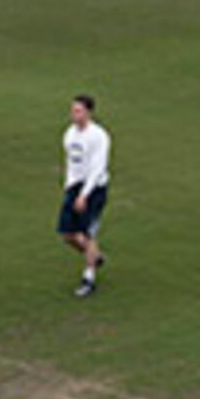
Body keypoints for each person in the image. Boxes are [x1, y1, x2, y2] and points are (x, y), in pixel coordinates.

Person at [58, 93, 111, 298]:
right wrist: (69, 187)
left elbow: (98, 168)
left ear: (89, 112)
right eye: (73, 110)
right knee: (67, 234)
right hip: (76, 186)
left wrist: (84, 195)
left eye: (78, 111)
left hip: (94, 188)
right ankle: (94, 257)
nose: (74, 114)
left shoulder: (98, 136)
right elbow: (72, 164)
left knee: (88, 234)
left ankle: (88, 278)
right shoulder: (69, 134)